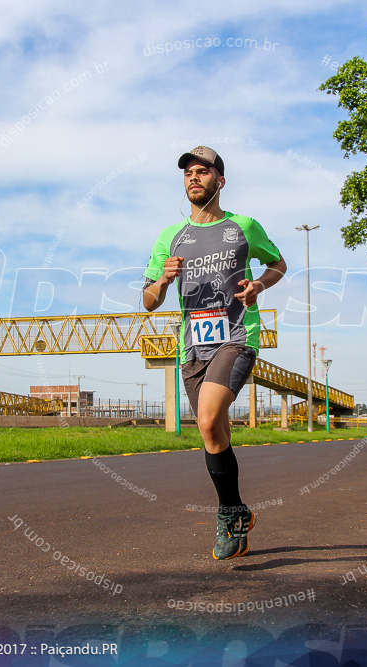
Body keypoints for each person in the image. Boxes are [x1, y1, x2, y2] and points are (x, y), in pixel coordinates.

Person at [142, 145, 287, 560]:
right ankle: (237, 510)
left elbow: (278, 264)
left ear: (219, 181)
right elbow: (149, 300)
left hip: (237, 335)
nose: (194, 177)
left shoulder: (243, 226)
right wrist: (164, 282)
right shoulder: (169, 237)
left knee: (206, 419)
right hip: (193, 345)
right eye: (188, 172)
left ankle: (226, 513)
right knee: (213, 432)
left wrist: (259, 285)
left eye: (203, 171)